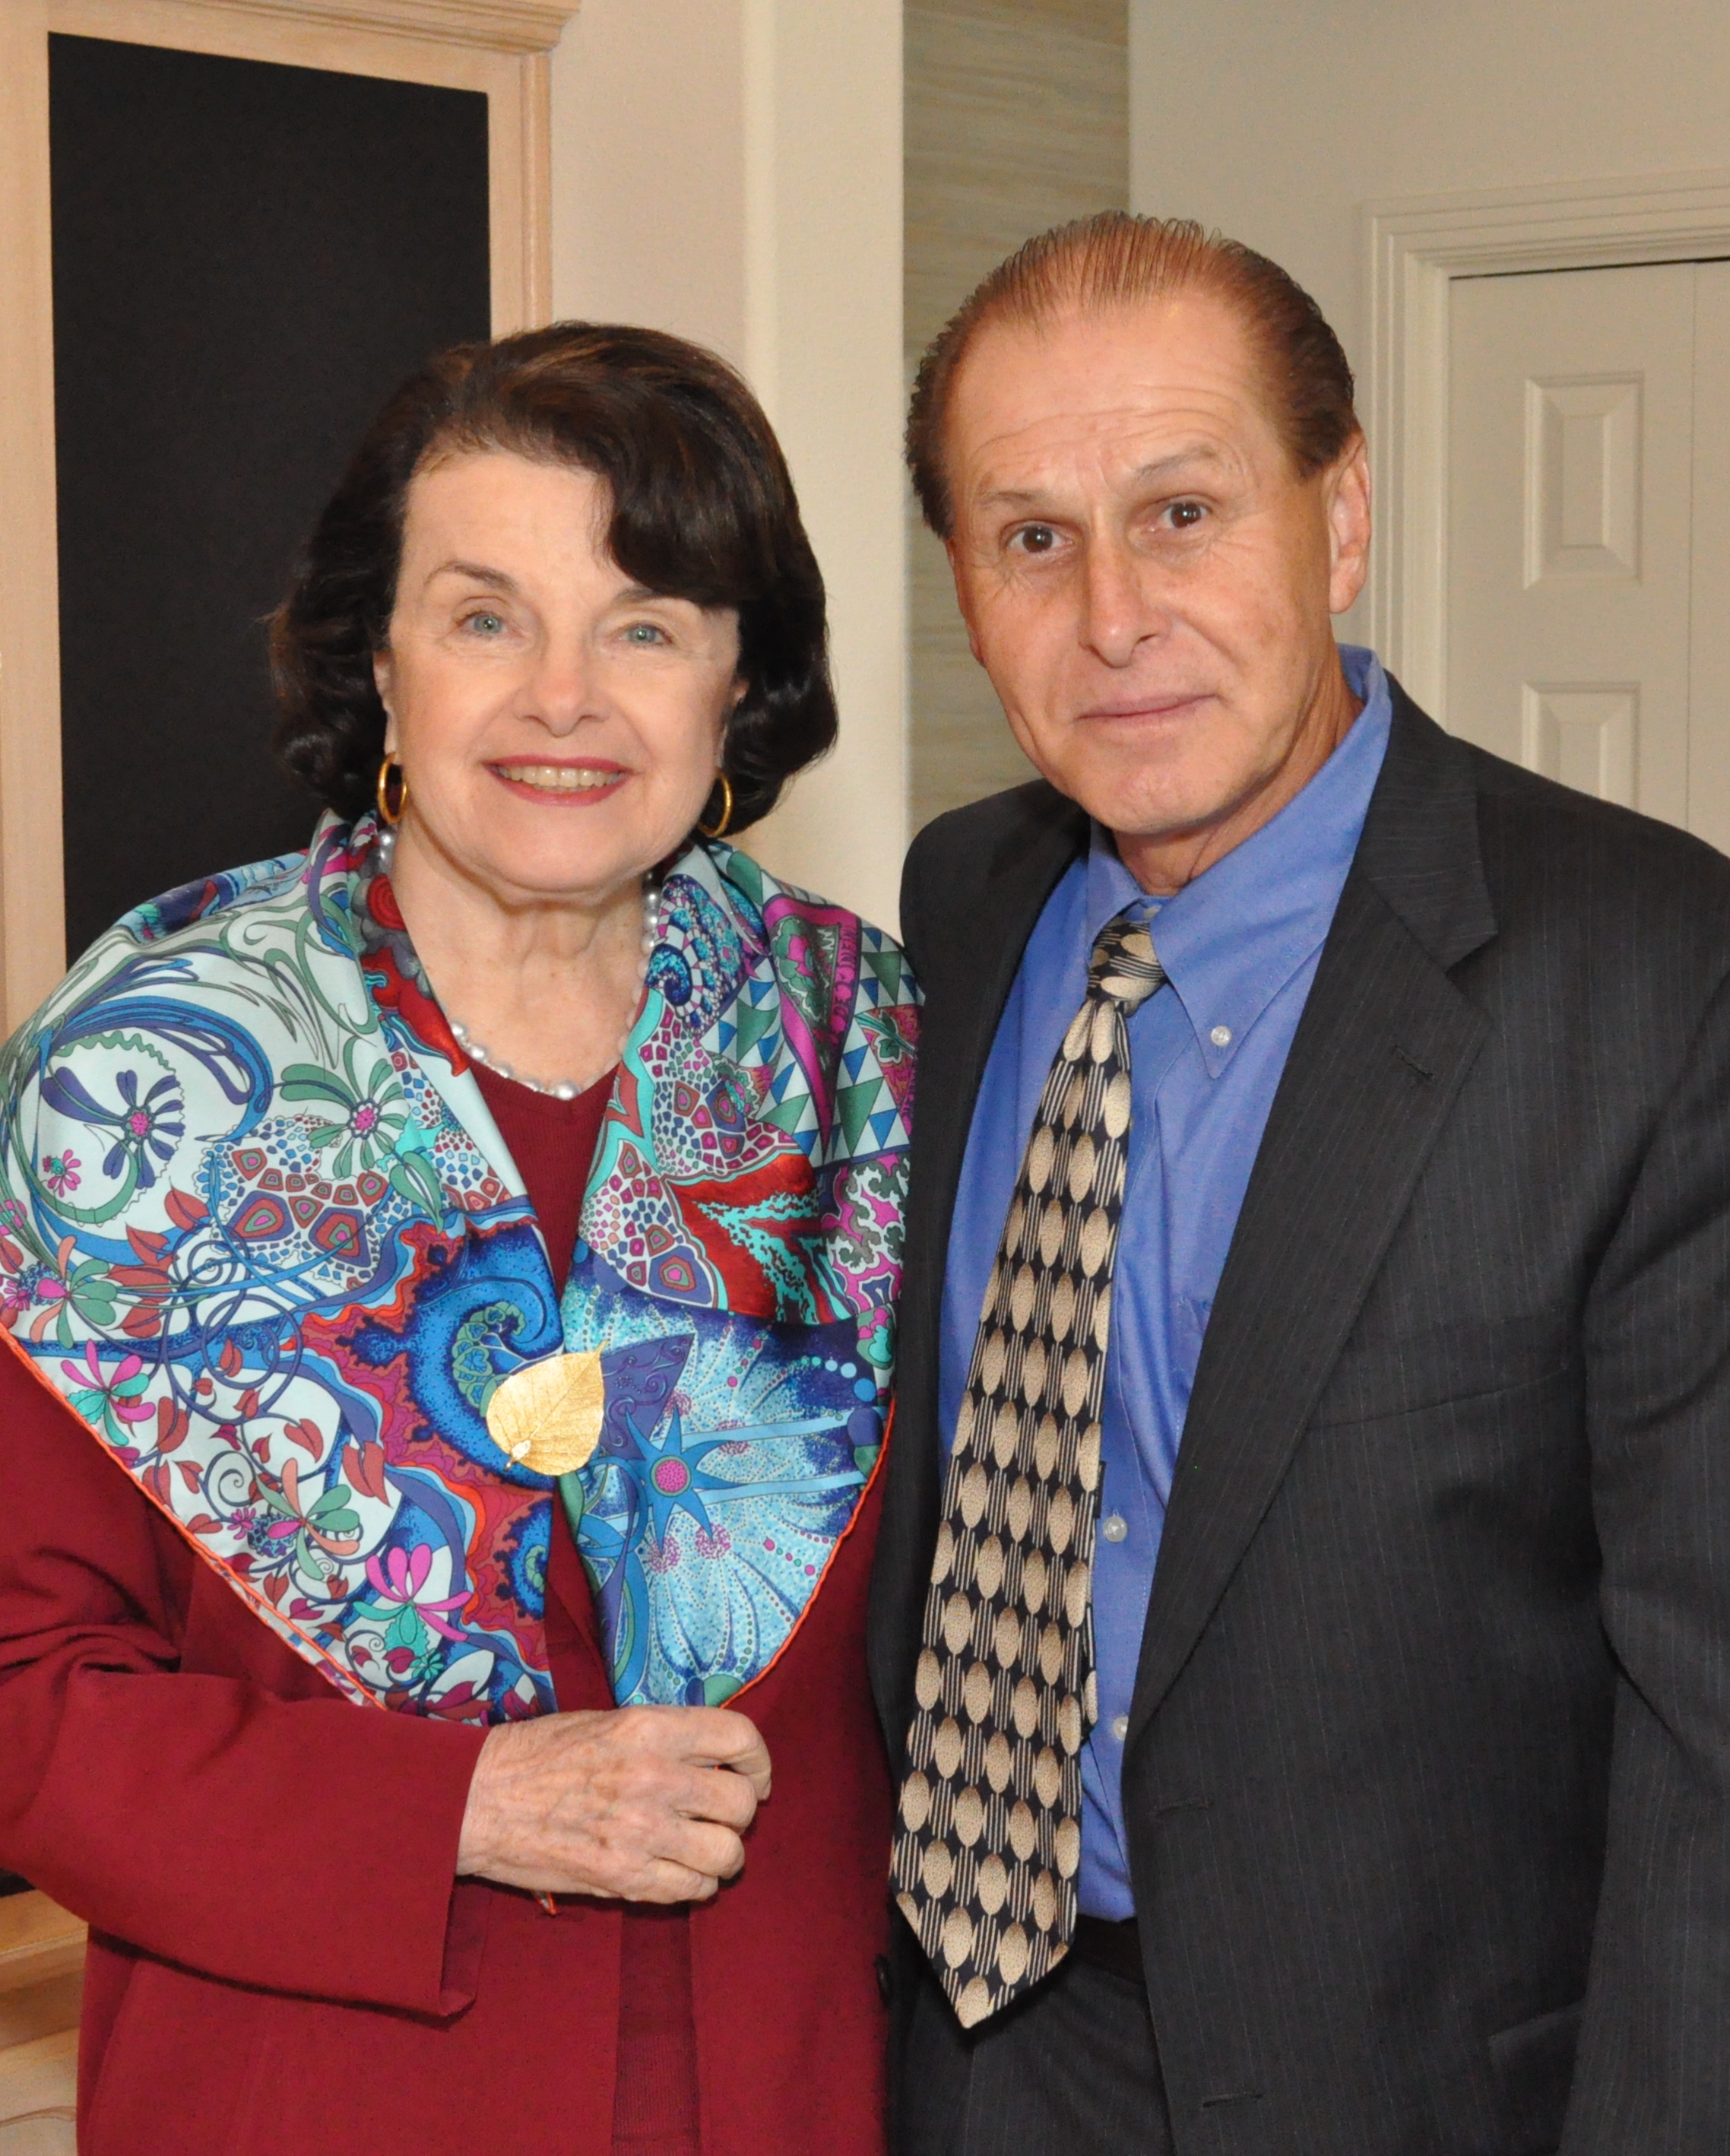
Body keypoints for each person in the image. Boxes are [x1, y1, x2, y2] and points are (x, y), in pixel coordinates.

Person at [0, 322, 918, 2156]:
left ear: (739, 681)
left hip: (788, 2073)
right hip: (315, 2082)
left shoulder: (866, 1041)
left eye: (645, 625)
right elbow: (27, 1693)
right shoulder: (142, 1078)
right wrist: (456, 1807)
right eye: (486, 616)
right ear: (379, 659)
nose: (562, 698)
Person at [869, 209, 1730, 2154]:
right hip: (976, 2050)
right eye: (1030, 538)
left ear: (1337, 521)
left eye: (1180, 513)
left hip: (1410, 2081)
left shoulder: (1651, 970)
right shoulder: (965, 899)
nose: (1111, 616)